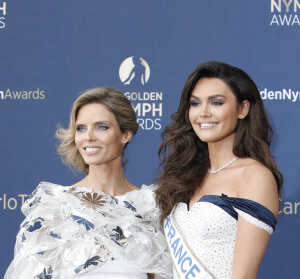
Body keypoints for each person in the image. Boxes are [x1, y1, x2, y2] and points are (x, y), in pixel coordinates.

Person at [5, 87, 172, 279]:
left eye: (102, 127)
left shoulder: (151, 207)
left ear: (126, 134)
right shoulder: (54, 207)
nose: (88, 137)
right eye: (81, 128)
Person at [155, 61, 283, 279]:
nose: (203, 112)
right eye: (195, 104)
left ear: (242, 109)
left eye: (216, 102)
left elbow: (243, 276)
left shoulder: (254, 176)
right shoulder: (182, 174)